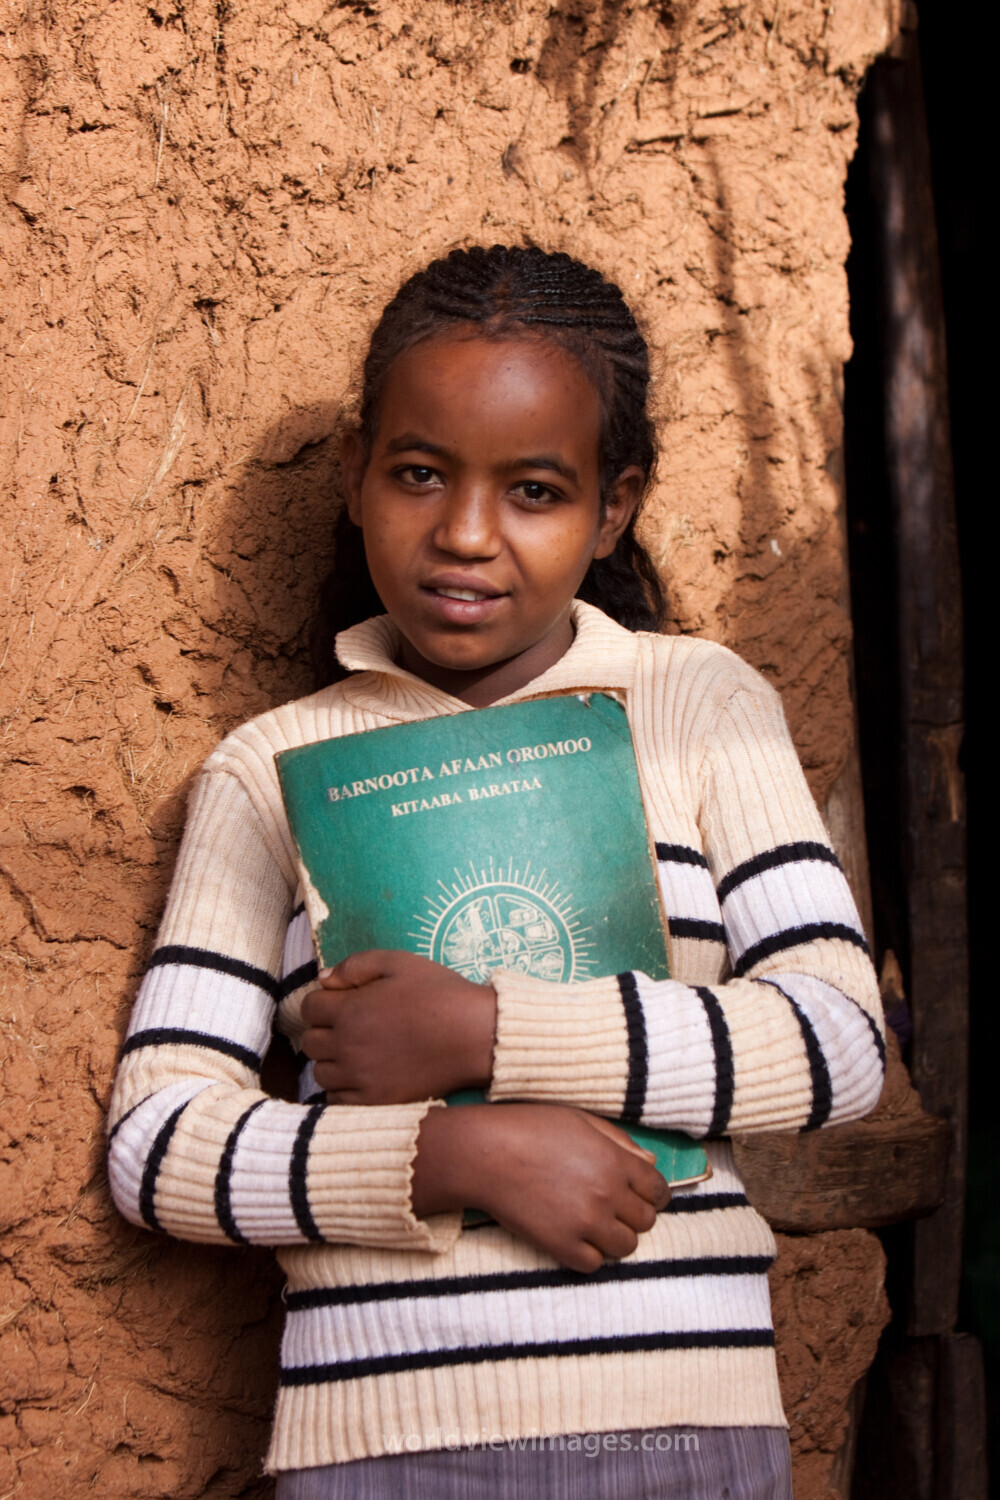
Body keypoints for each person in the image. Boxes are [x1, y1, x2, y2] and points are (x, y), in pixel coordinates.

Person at [107, 245, 885, 1499]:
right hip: (379, 1448)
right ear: (359, 474)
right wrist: (451, 1159)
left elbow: (839, 1046)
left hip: (683, 1430)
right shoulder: (273, 770)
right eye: (419, 474)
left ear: (613, 506)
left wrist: (485, 1031)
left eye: (533, 490)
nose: (465, 535)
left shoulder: (698, 708)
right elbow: (158, 1146)